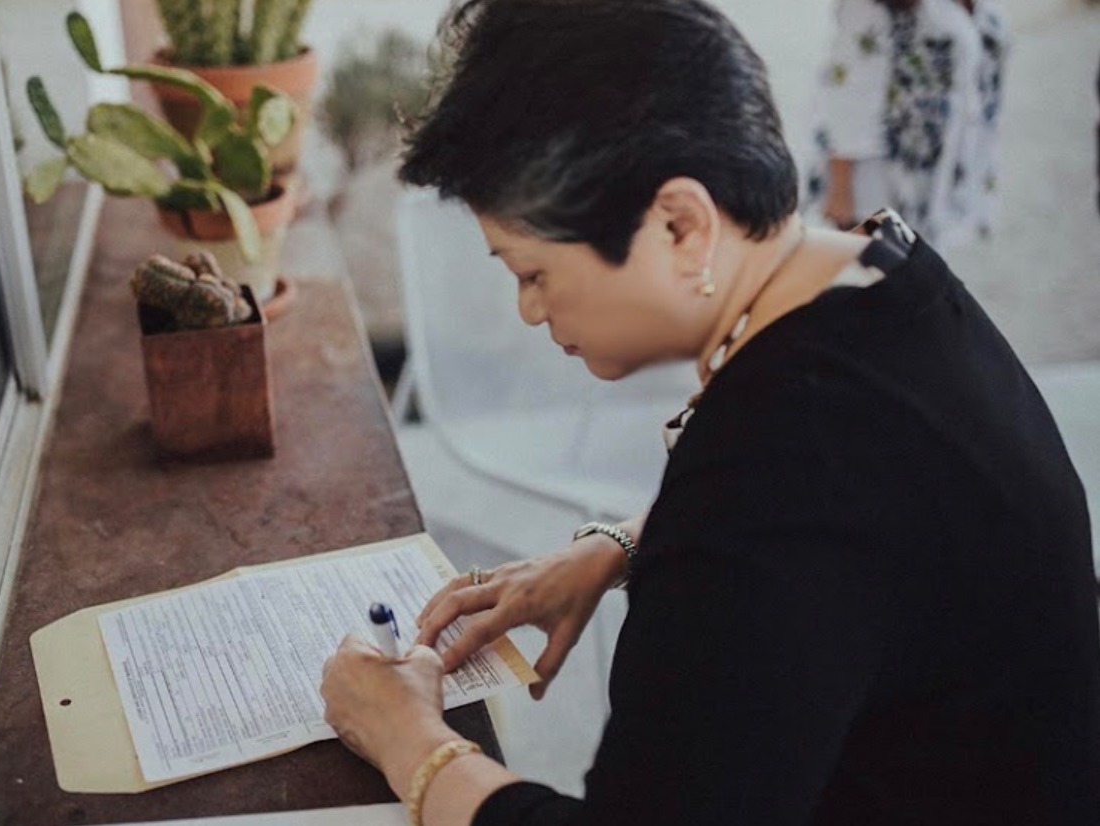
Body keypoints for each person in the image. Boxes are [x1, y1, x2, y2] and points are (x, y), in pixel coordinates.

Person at [319, 2, 1100, 825]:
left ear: (681, 225)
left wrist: (406, 736)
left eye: (533, 272)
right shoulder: (881, 274)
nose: (527, 310)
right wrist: (628, 543)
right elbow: (860, 536)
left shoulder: (779, 468)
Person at [805, 0, 1009, 251]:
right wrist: (840, 189)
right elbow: (845, 90)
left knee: (922, 275)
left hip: (941, 178)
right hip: (878, 188)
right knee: (884, 280)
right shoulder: (868, 8)